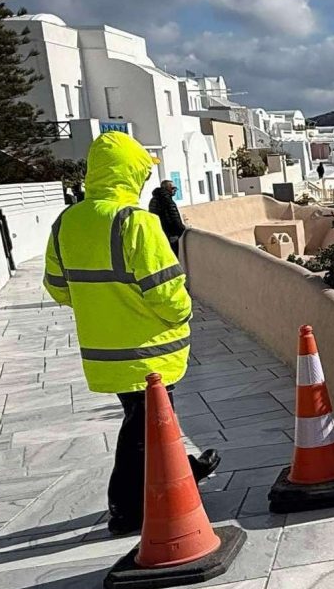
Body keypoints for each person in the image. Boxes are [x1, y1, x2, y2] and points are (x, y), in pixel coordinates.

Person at [43, 132, 219, 536]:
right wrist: (184, 312)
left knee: (148, 419)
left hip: (103, 349)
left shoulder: (67, 222)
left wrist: (101, 308)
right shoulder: (136, 222)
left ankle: (184, 470)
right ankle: (125, 507)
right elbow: (168, 293)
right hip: (148, 348)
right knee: (144, 426)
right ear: (130, 174)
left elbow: (56, 286)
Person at [148, 179, 186, 255]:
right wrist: (179, 231)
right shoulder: (168, 202)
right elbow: (176, 220)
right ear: (166, 189)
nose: (175, 190)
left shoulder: (153, 200)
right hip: (170, 237)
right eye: (172, 188)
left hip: (159, 235)